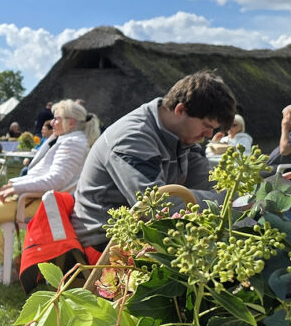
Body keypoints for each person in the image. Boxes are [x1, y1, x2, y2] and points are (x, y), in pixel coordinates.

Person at [72, 70, 236, 254]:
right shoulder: (131, 138)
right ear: (180, 110)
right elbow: (157, 207)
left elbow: (208, 182)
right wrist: (230, 203)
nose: (209, 135)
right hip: (105, 240)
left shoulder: (183, 136)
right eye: (206, 126)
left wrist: (237, 194)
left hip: (146, 230)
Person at [0, 100, 99, 284]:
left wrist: (16, 187)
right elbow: (46, 175)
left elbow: (55, 180)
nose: (52, 122)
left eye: (57, 119)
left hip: (45, 204)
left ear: (71, 122)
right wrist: (15, 184)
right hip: (39, 199)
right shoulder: (68, 139)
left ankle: (7, 267)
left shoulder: (73, 143)